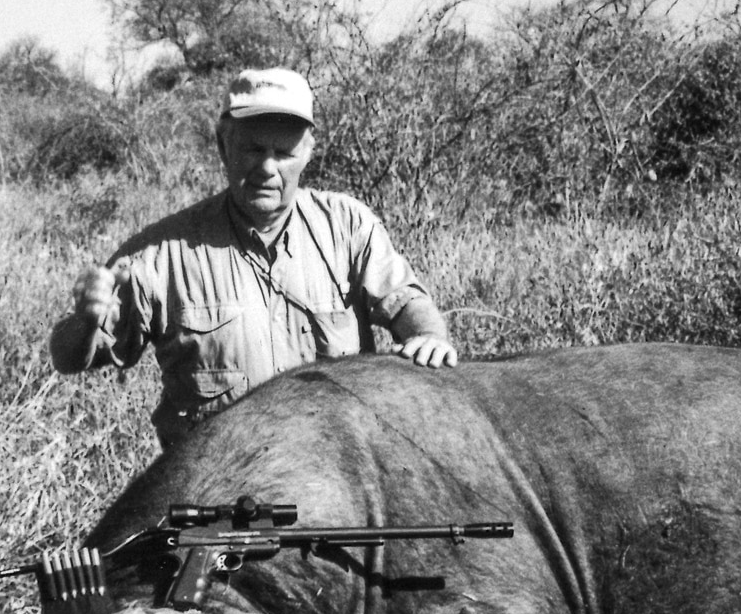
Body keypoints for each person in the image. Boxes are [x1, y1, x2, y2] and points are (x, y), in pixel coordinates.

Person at [50, 67, 457, 447]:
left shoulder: (347, 225)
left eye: (284, 153)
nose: (267, 167)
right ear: (223, 146)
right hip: (221, 494)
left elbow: (405, 299)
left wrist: (428, 337)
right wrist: (87, 321)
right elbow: (68, 359)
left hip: (341, 481)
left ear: (309, 153)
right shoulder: (161, 254)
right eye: (253, 149)